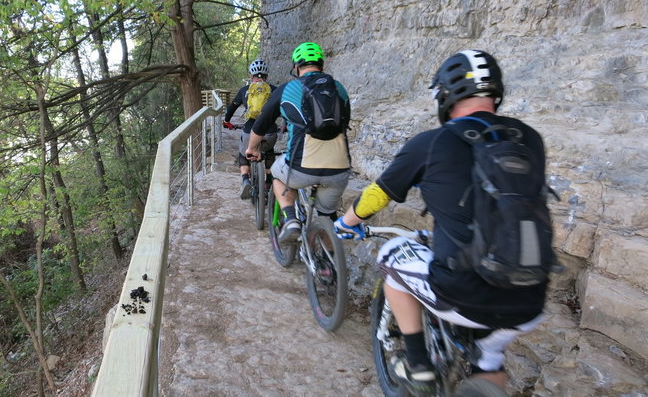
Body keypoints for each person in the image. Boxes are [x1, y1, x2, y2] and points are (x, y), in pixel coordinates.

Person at [334, 50, 547, 395]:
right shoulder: (530, 139)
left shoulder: (431, 143)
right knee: (489, 359)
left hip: (463, 292)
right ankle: (486, 372)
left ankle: (418, 364)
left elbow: (378, 194)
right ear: (496, 91)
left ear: (445, 96)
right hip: (529, 300)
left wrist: (346, 223)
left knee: (391, 254)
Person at [247, 42, 351, 244]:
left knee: (277, 176)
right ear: (321, 64)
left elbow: (260, 125)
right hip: (339, 170)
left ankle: (291, 220)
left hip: (301, 167)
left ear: (296, 67)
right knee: (326, 216)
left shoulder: (289, 89)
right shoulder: (339, 89)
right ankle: (328, 268)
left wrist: (252, 148)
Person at [223, 59, 278, 199]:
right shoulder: (274, 90)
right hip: (270, 132)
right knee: (269, 151)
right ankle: (269, 182)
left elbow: (231, 108)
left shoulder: (244, 91)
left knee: (243, 154)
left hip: (250, 131)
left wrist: (227, 121)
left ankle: (246, 180)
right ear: (266, 76)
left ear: (250, 75)